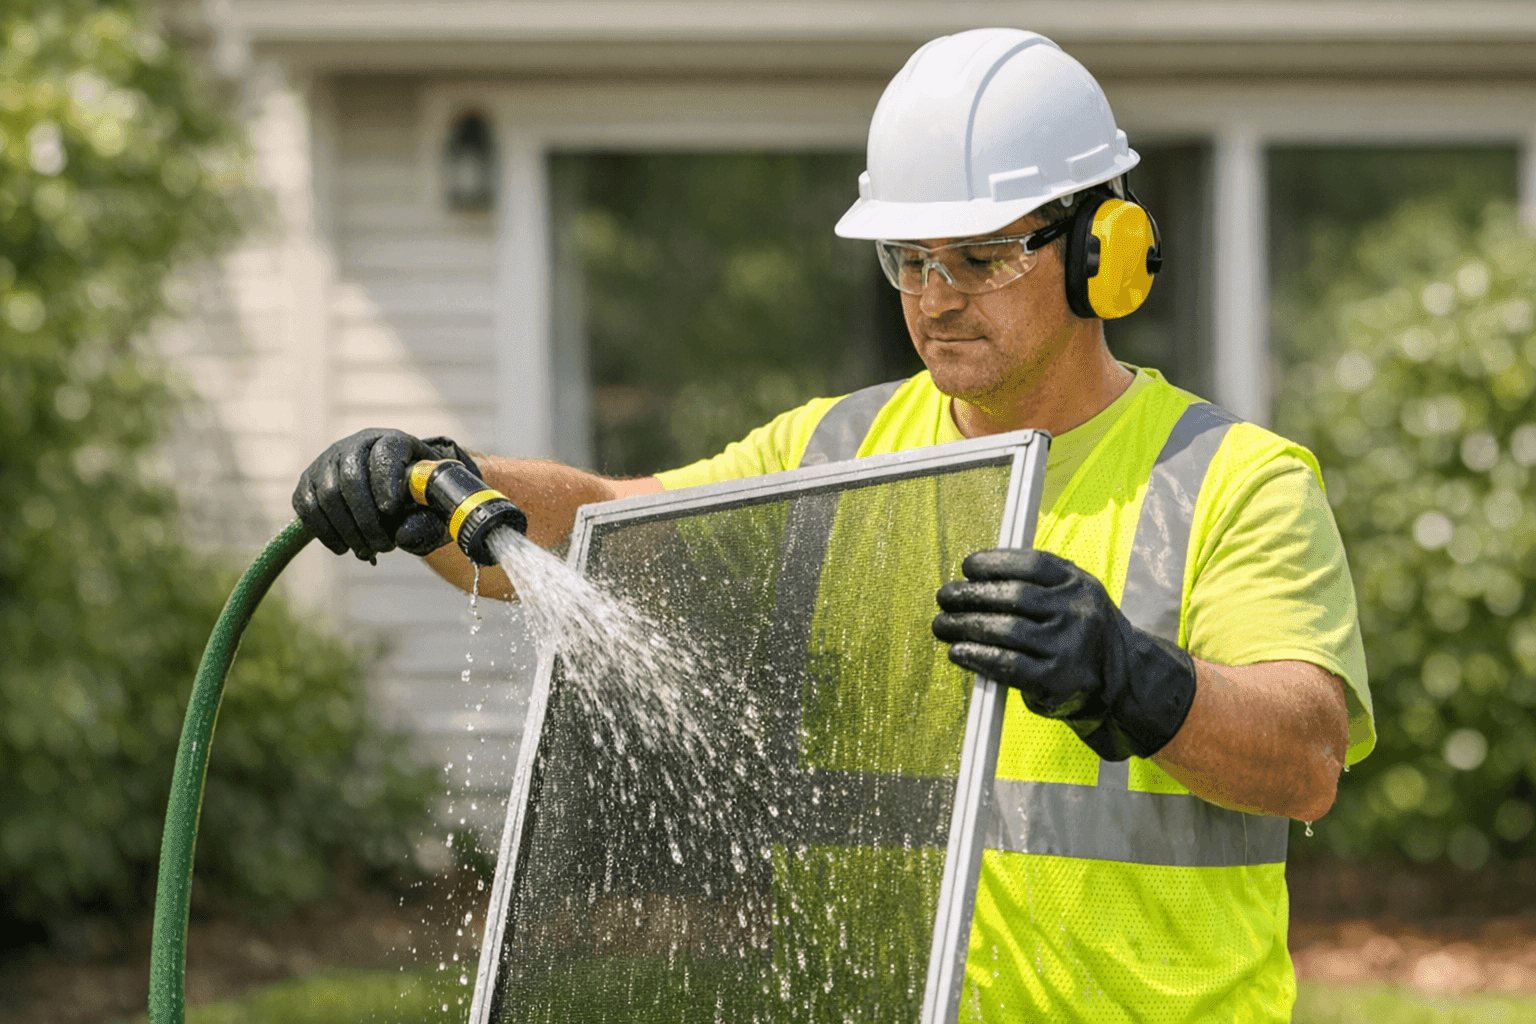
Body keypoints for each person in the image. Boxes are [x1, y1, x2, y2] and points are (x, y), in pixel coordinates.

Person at [293, 27, 1373, 1022]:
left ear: (1104, 246)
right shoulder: (837, 458)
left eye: (980, 256)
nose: (936, 297)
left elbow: (1306, 756)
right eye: (908, 259)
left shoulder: (1230, 478)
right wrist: (436, 487)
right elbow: (613, 528)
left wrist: (1137, 679)